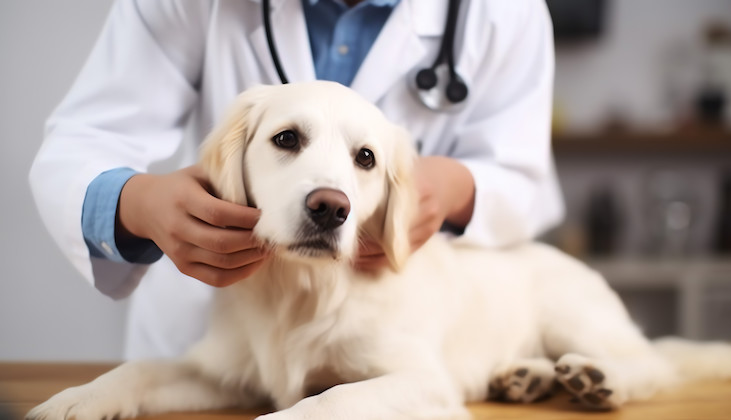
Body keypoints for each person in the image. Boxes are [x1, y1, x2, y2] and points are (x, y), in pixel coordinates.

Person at [30, 0, 564, 360]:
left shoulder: (505, 12)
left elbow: (523, 176)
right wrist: (138, 204)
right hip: (207, 341)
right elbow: (84, 142)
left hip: (381, 343)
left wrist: (457, 188)